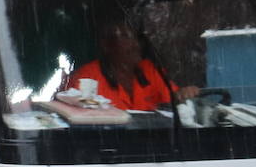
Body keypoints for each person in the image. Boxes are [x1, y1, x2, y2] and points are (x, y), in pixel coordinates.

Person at [66, 20, 199, 110]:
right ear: (106, 45)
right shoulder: (86, 77)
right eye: (125, 37)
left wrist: (183, 95)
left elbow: (174, 101)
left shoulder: (151, 71)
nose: (135, 45)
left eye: (135, 38)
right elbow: (80, 121)